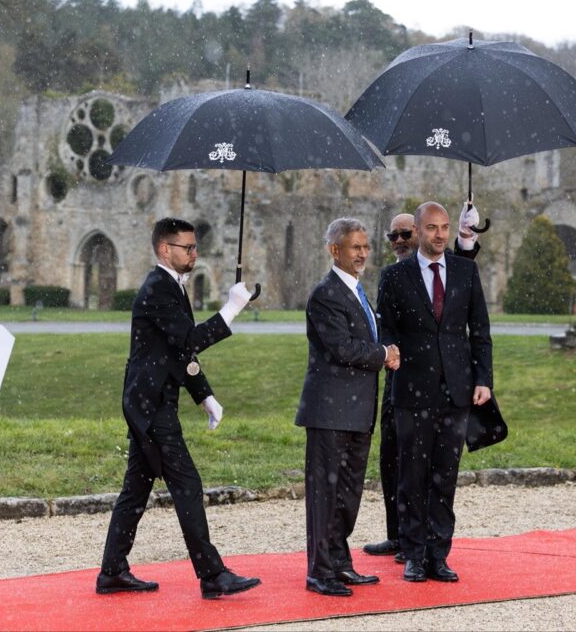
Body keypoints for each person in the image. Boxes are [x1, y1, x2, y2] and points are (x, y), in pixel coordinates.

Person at [96, 217, 261, 600]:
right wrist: (232, 308)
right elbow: (190, 340)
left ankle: (112, 571)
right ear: (164, 249)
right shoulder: (157, 288)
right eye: (187, 248)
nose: (194, 253)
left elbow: (178, 353)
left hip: (149, 403)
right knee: (187, 486)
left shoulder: (172, 287)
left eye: (194, 247)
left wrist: (204, 395)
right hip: (151, 407)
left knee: (136, 489)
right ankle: (212, 575)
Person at [377, 202, 493, 584]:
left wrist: (484, 379)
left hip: (457, 391)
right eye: (431, 228)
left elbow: (480, 330)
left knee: (445, 476)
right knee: (411, 477)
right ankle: (413, 555)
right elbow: (386, 328)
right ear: (418, 230)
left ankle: (438, 555)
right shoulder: (395, 277)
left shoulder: (465, 271)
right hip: (411, 391)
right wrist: (389, 350)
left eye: (444, 227)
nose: (440, 234)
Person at [294, 218, 401, 597]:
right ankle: (319, 571)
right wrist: (383, 354)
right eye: (355, 247)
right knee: (325, 494)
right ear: (334, 250)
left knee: (348, 492)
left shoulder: (357, 292)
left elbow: (364, 338)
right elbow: (342, 348)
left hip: (357, 412)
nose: (362, 253)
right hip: (329, 412)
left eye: (365, 246)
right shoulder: (326, 294)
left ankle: (339, 562)